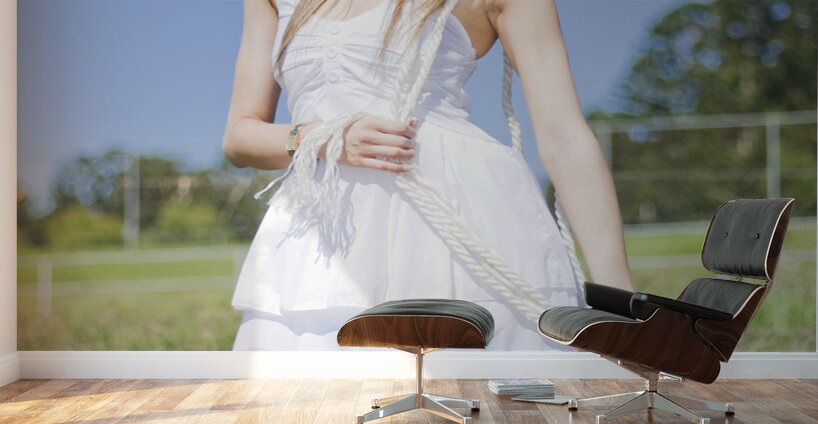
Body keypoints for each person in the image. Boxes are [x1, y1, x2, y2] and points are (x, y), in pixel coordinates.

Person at [222, 0, 633, 351]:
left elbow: (565, 138)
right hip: (317, 241)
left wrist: (623, 306)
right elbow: (240, 135)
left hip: (460, 228)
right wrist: (321, 138)